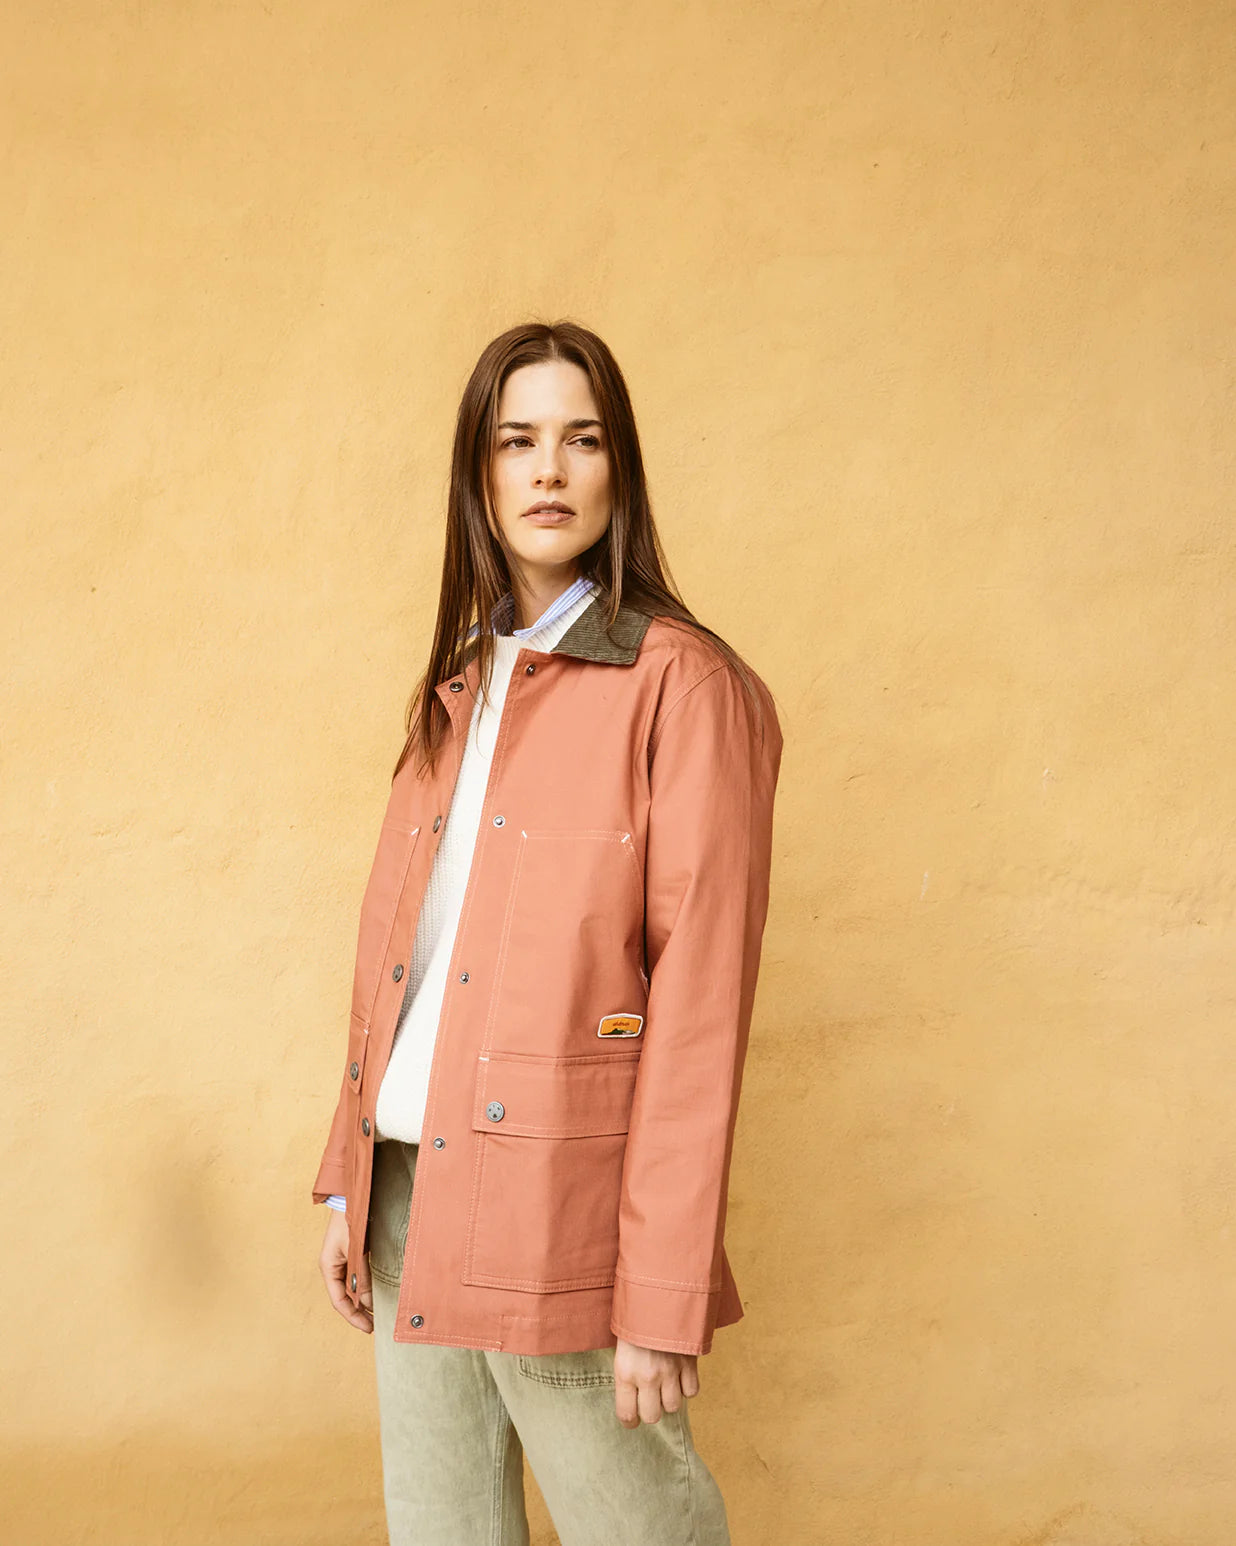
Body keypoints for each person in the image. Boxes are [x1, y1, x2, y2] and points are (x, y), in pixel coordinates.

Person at [313, 319, 784, 1546]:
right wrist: (347, 1179)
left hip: (560, 1207)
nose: (549, 471)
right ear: (478, 473)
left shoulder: (686, 688)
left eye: (583, 440)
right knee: (443, 1530)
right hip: (407, 1192)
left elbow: (700, 1009)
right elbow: (400, 961)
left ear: (621, 469)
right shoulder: (456, 688)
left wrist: (662, 1290)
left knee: (640, 1527)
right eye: (517, 441)